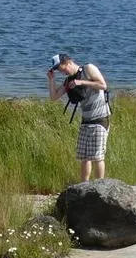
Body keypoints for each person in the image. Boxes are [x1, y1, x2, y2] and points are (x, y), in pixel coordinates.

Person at [47, 53, 111, 183]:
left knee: (98, 157)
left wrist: (81, 82)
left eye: (62, 68)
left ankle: (101, 186)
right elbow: (54, 98)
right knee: (84, 157)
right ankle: (84, 186)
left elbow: (103, 85)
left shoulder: (88, 69)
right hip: (85, 121)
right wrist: (51, 79)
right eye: (58, 70)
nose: (62, 71)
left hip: (100, 118)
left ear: (69, 62)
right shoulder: (68, 81)